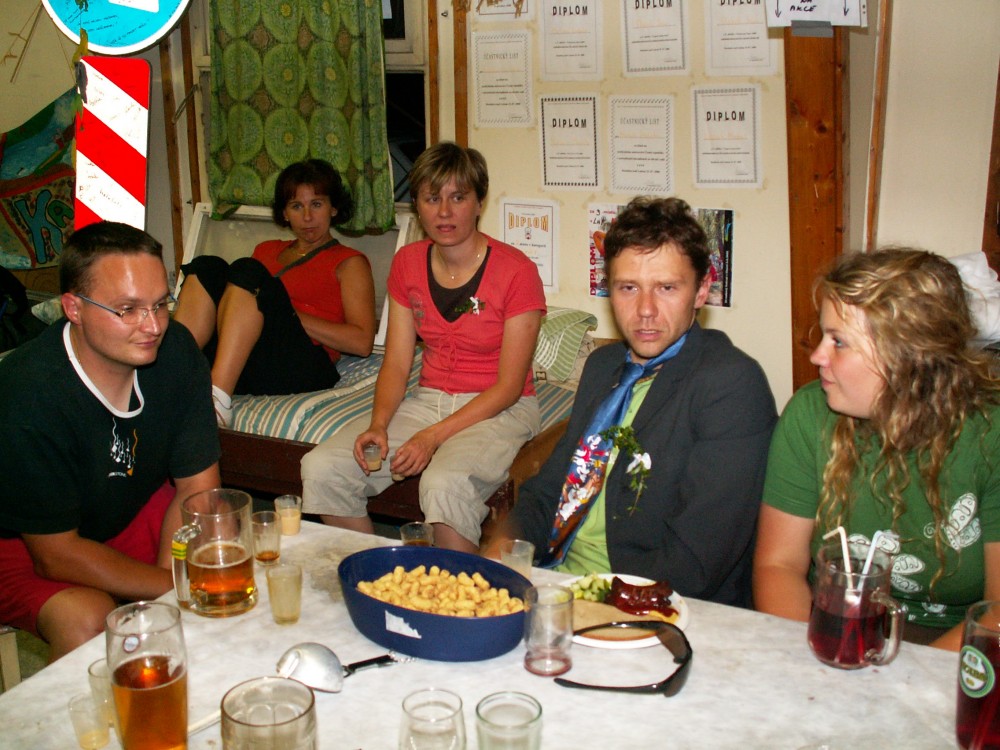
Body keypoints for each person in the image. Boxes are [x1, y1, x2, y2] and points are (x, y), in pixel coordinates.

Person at [489, 197, 777, 607]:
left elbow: (695, 565)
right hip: (555, 583)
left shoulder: (730, 385)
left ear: (701, 291)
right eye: (628, 288)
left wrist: (583, 603)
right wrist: (501, 554)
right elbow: (549, 491)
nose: (645, 310)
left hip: (648, 603)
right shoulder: (604, 366)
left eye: (666, 288)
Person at [301, 142, 546, 553]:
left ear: (479, 202)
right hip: (430, 400)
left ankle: (458, 591)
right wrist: (378, 424)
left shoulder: (517, 271)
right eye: (432, 199)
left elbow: (508, 387)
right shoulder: (408, 263)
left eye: (458, 197)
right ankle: (378, 575)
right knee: (322, 468)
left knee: (443, 484)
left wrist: (432, 438)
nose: (444, 212)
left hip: (501, 407)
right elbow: (397, 364)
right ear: (417, 206)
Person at [753, 248, 1000, 650]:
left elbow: (997, 613)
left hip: (954, 646)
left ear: (908, 357)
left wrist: (904, 679)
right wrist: (811, 658)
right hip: (828, 625)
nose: (817, 356)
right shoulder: (810, 414)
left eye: (839, 342)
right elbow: (778, 566)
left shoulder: (991, 433)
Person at [0, 221, 221, 660]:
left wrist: (173, 582)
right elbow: (55, 555)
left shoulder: (176, 351)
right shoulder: (27, 393)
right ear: (73, 308)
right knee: (88, 619)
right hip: (25, 542)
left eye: (161, 304)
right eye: (127, 309)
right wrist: (172, 586)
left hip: (122, 508)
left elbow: (198, 489)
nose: (153, 326)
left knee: (220, 543)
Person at [173, 159, 377, 425]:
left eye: (317, 204)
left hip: (302, 365)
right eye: (296, 206)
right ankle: (170, 376)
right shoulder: (266, 250)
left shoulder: (349, 262)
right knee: (207, 266)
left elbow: (362, 343)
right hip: (253, 358)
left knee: (248, 271)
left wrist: (282, 310)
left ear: (334, 208)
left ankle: (217, 402)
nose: (307, 217)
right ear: (284, 213)